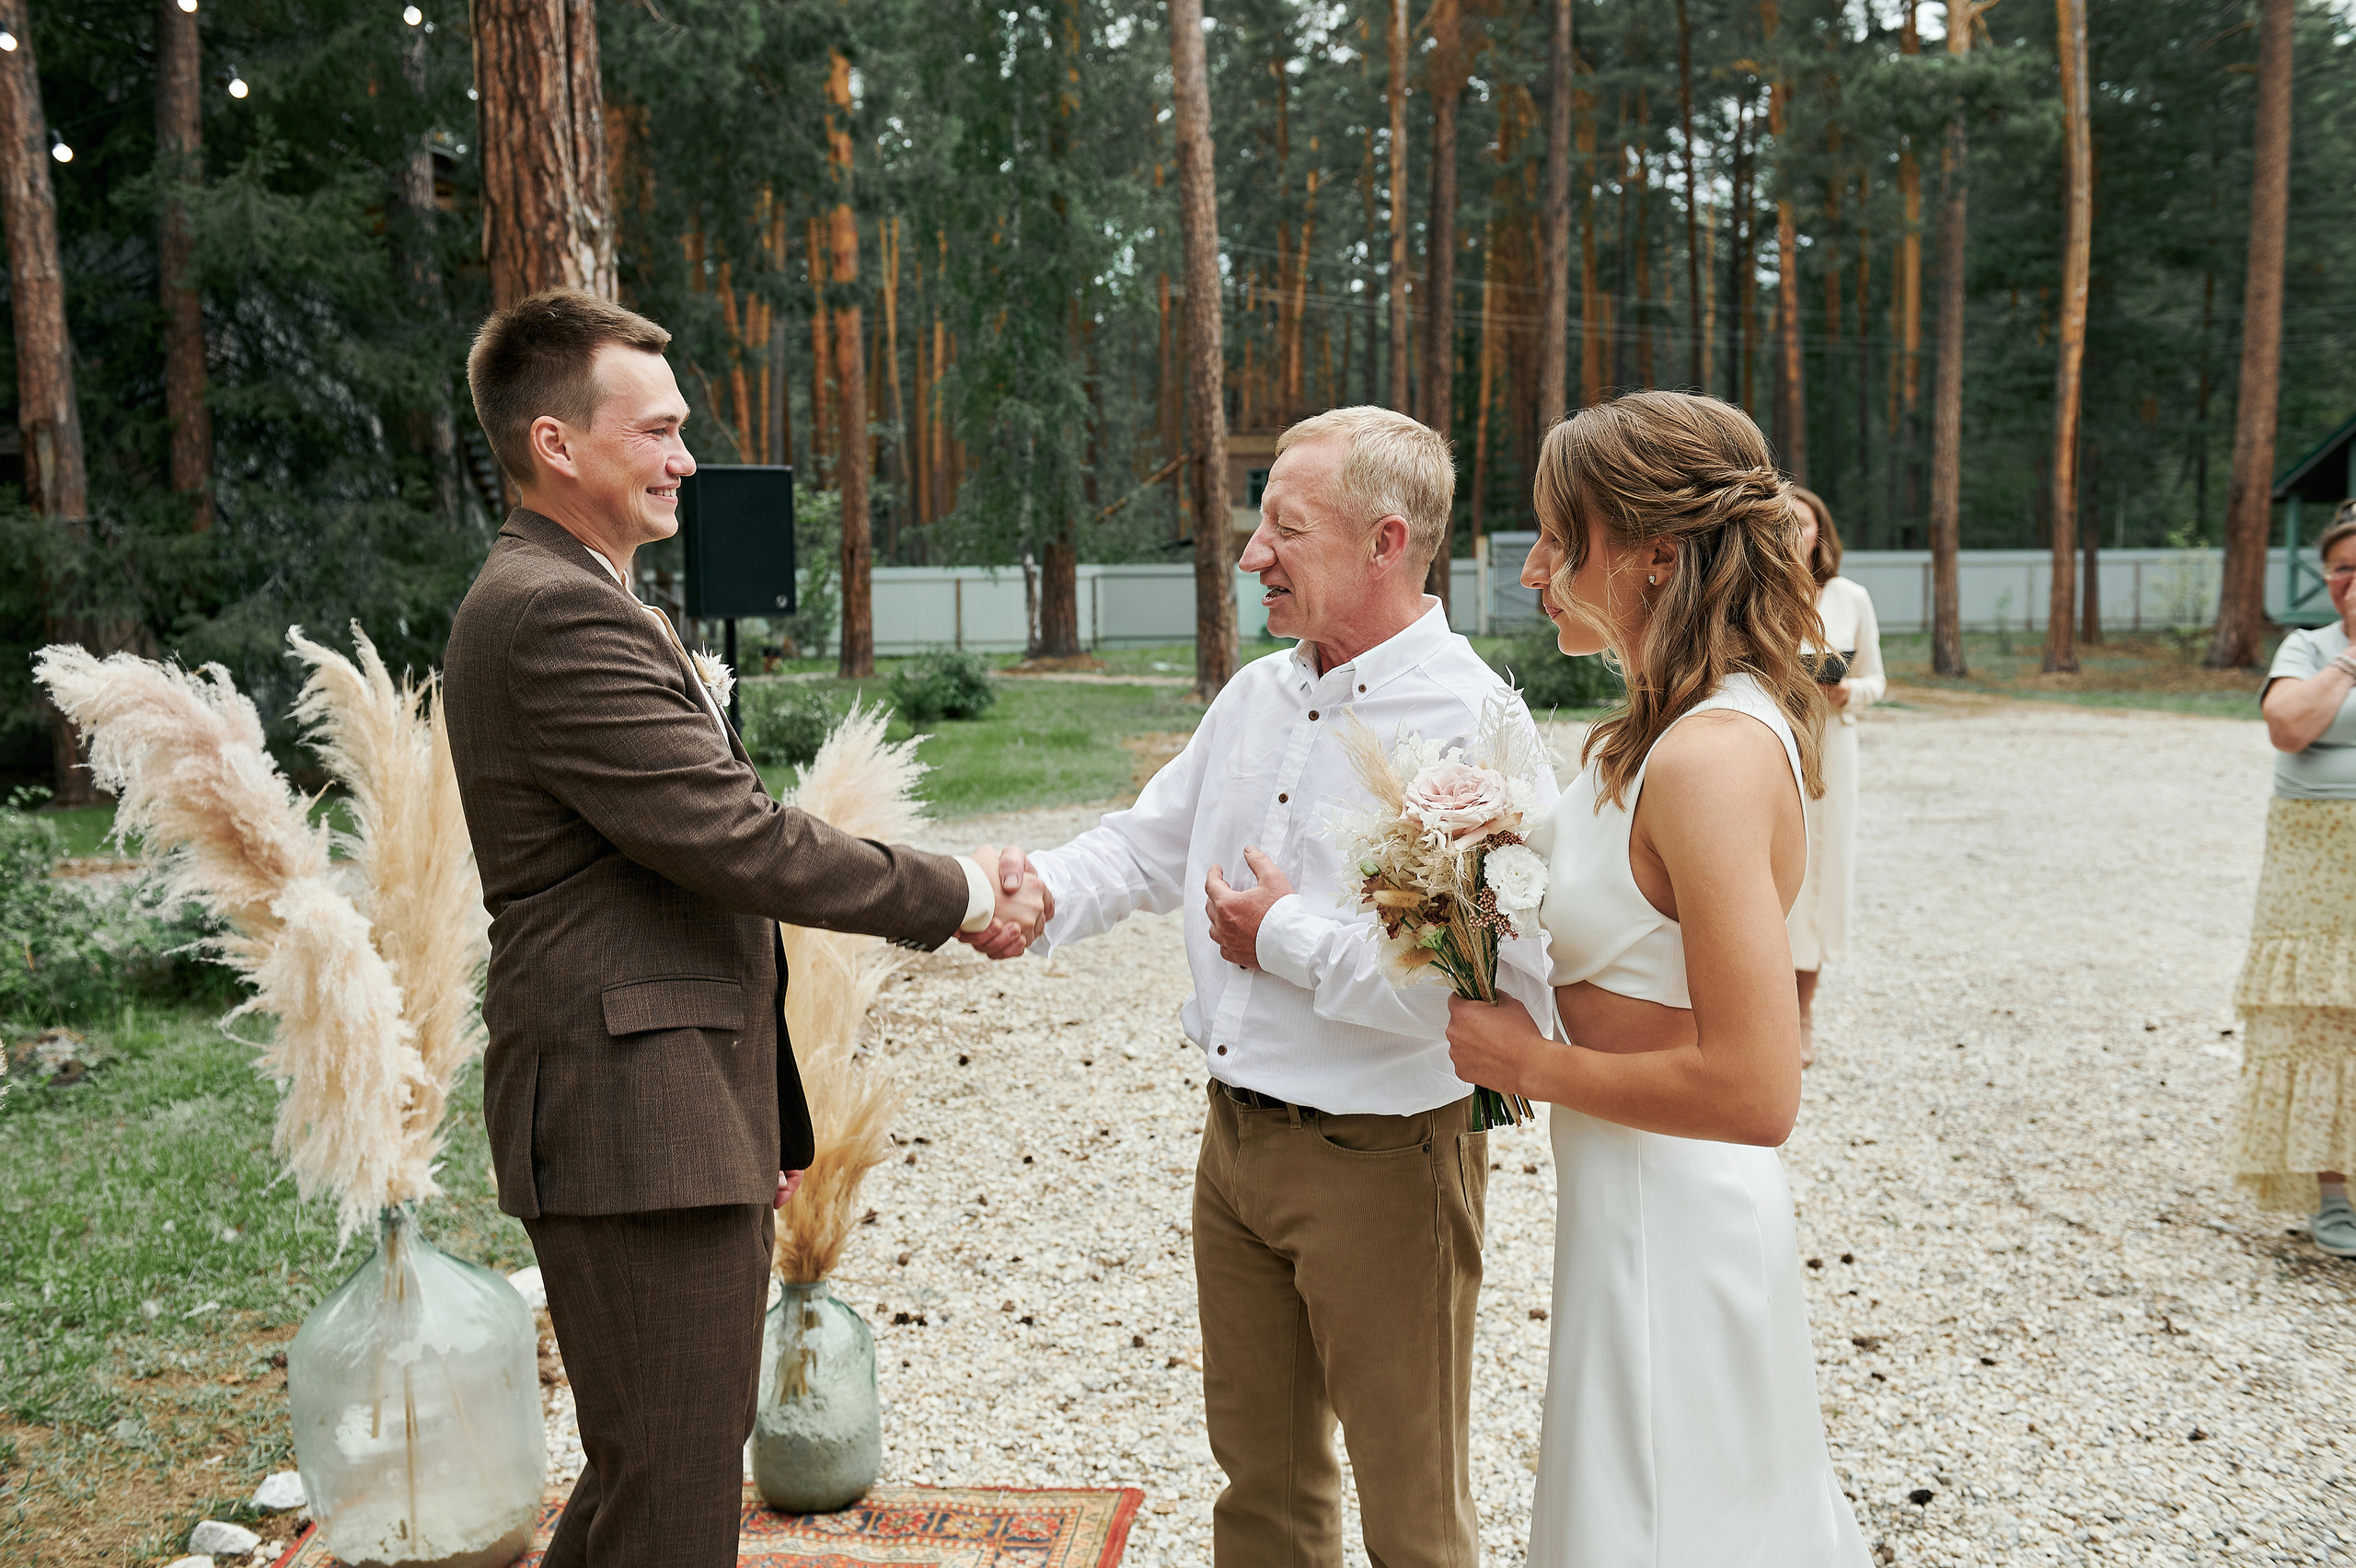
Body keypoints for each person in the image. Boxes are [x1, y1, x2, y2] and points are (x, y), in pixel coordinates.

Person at [441, 288, 1045, 1568]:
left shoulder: (582, 595)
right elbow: (738, 841)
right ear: (557, 444)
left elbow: (683, 882)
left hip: (665, 1110)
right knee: (666, 1507)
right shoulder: (553, 611)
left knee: (647, 1483)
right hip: (629, 1119)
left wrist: (752, 1114)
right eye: (656, 431)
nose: (686, 458)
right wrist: (966, 891)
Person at [1000, 407, 1556, 1568]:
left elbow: (1487, 1001)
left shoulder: (1476, 728)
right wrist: (1027, 896)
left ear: (1384, 542)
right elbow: (1147, 848)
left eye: (1283, 530)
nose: (1252, 555)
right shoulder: (1256, 696)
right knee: (1260, 1487)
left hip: (1386, 1169)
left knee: (1413, 1506)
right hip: (1233, 1151)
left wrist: (1283, 936)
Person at [1444, 391, 1871, 1565]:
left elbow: (1755, 1093)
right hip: (1624, 1214)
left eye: (1557, 537)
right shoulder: (1661, 729)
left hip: (1672, 1233)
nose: (1533, 569)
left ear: (1657, 555)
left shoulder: (1713, 757)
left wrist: (1526, 1063)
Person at [2236, 499, 2356, 1258]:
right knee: (2323, 1024)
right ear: (2327, 578)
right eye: (2346, 569)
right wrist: (2351, 656)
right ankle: (2334, 1192)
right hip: (2318, 865)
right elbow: (2289, 727)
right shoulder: (2309, 649)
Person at [1787, 485, 1886, 1066]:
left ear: (1820, 532)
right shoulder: (1755, 594)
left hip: (1831, 745)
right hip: (1772, 739)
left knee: (1819, 874)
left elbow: (1877, 679)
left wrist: (1848, 690)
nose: (1792, 534)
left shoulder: (1850, 597)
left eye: (1802, 524)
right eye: (1782, 524)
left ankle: (1803, 1016)